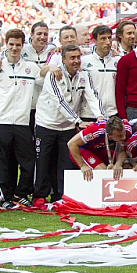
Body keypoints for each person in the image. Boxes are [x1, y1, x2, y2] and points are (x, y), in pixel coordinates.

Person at [0, 29, 41, 211]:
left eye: (18, 45)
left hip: (21, 122)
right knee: (1, 162)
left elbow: (44, 78)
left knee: (28, 161)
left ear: (22, 45)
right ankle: (4, 198)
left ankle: (20, 194)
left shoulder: (30, 67)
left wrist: (51, 67)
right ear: (6, 44)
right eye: (11, 44)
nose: (14, 48)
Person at [34, 44, 105, 208]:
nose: (76, 61)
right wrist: (78, 121)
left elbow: (93, 96)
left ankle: (61, 195)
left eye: (78, 57)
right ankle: (40, 195)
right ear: (63, 60)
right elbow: (59, 101)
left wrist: (100, 117)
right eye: (72, 58)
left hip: (67, 126)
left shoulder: (84, 74)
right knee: (43, 160)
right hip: (47, 123)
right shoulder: (54, 75)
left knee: (66, 163)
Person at [68, 116, 131, 183]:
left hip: (100, 149)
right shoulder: (95, 130)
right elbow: (71, 144)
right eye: (120, 136)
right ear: (109, 135)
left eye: (124, 133)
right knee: (101, 170)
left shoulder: (127, 128)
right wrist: (82, 165)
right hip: (82, 150)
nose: (124, 137)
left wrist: (118, 164)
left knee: (126, 165)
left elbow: (122, 150)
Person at [22, 21, 57, 133]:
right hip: (25, 105)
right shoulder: (22, 49)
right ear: (31, 35)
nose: (42, 37)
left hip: (45, 106)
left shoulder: (53, 49)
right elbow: (3, 54)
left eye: (45, 34)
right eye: (39, 34)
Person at [80, 25, 120, 118]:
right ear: (94, 41)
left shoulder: (118, 60)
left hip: (112, 113)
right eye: (103, 39)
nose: (107, 42)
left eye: (109, 38)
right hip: (90, 114)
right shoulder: (84, 61)